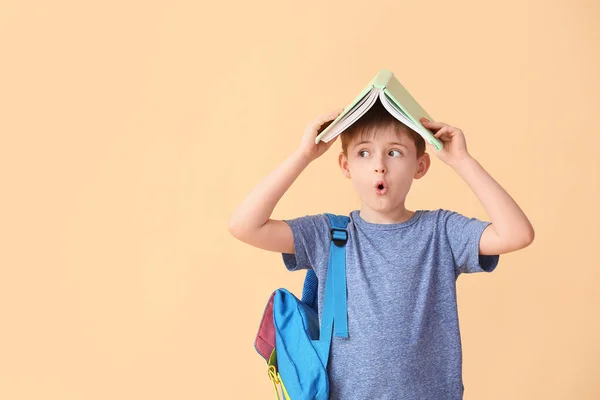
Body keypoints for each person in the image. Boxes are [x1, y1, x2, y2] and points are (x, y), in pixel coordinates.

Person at [228, 100, 535, 399]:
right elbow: (244, 225)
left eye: (394, 152)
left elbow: (516, 234)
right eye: (364, 153)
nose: (379, 167)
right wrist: (303, 155)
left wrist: (462, 161)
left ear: (421, 165)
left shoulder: (441, 232)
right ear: (345, 165)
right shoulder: (328, 235)